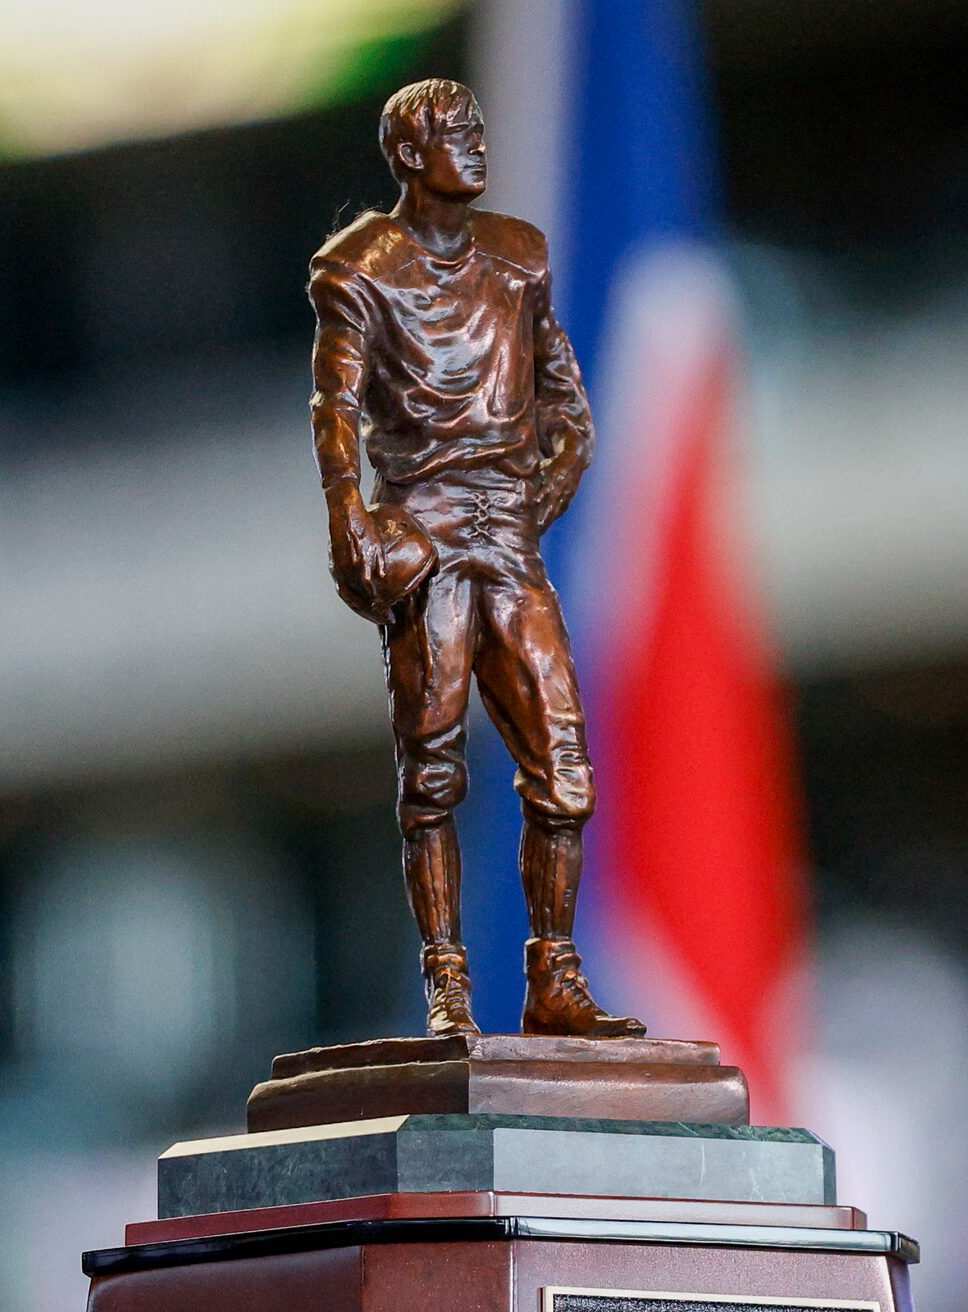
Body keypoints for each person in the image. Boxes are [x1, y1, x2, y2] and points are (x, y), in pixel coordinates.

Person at [309, 77, 644, 1040]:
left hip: (504, 532)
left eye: (479, 127)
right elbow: (334, 412)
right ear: (409, 154)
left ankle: (555, 977)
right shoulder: (357, 270)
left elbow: (567, 411)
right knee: (432, 773)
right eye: (454, 132)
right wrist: (356, 525)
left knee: (565, 769)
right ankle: (448, 984)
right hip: (424, 533)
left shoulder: (520, 257)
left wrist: (521, 515)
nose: (476, 143)